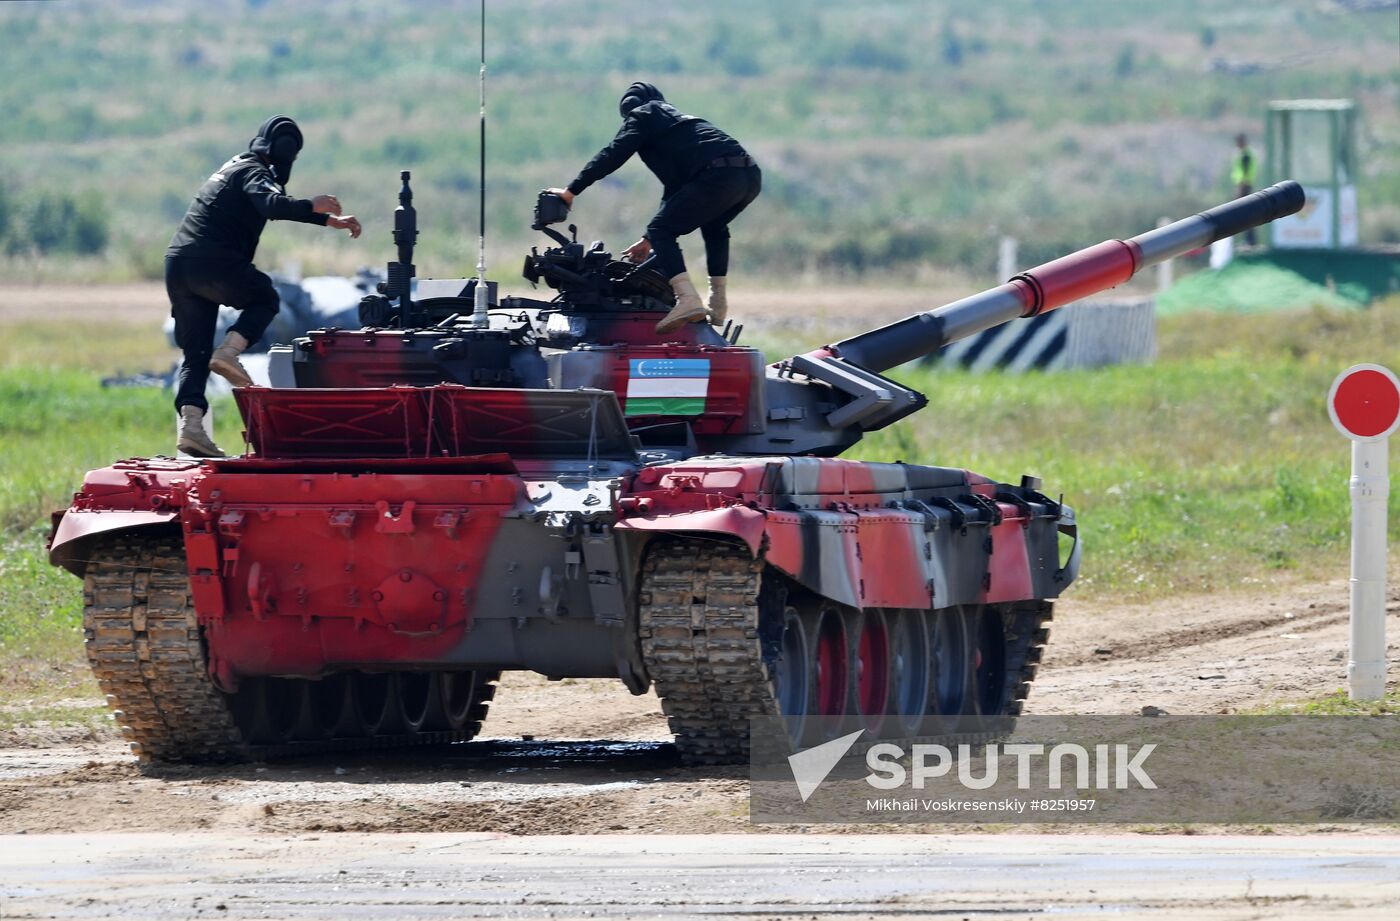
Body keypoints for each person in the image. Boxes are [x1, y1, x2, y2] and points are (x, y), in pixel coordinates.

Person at [165, 116, 361, 457]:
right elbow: (270, 204)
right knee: (265, 296)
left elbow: (266, 203)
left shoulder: (234, 167)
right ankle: (229, 353)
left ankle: (191, 427)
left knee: (194, 355)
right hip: (214, 262)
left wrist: (325, 220)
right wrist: (314, 205)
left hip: (180, 265)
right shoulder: (256, 171)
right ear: (286, 153)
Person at [549, 82, 761, 334]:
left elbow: (612, 154)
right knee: (713, 225)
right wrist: (648, 240)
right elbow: (675, 191)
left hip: (718, 175)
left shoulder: (644, 114)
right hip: (748, 176)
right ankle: (718, 302)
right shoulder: (678, 126)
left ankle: (687, 300)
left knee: (662, 229)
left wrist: (571, 191)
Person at [1232, 133, 1258, 245]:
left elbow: (1245, 173)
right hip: (1245, 185)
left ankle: (1250, 241)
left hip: (1244, 186)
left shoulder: (1245, 155)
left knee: (1246, 214)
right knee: (1247, 214)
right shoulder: (1245, 153)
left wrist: (1240, 188)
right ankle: (1250, 240)